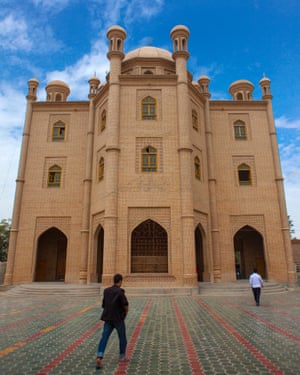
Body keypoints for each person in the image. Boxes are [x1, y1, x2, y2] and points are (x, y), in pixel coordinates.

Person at [96, 273, 129, 369]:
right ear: (120, 281)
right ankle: (122, 356)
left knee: (104, 338)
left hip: (108, 318)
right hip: (118, 319)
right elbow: (125, 305)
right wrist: (124, 315)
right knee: (122, 337)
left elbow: (103, 305)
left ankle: (99, 356)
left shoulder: (106, 291)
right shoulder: (120, 292)